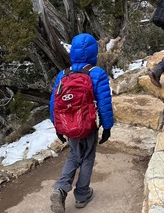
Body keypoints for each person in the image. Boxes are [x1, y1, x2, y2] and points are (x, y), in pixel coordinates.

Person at [49, 33, 114, 213]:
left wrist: (57, 126)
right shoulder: (97, 73)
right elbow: (104, 103)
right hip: (88, 125)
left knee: (73, 156)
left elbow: (54, 103)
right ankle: (82, 195)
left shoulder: (63, 74)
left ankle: (60, 188)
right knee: (87, 158)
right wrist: (107, 126)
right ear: (94, 53)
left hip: (69, 126)